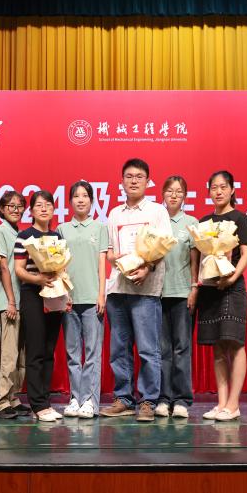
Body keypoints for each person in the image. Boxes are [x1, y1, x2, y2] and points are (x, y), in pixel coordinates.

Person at [100, 158, 170, 423]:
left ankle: (149, 400)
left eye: (139, 176)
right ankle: (123, 398)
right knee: (119, 348)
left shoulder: (157, 212)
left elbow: (164, 247)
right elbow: (109, 251)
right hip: (118, 288)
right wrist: (115, 258)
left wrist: (147, 267)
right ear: (121, 181)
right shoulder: (114, 214)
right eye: (128, 176)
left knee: (148, 349)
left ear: (148, 181)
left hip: (146, 290)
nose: (133, 181)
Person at [194, 171, 247, 422]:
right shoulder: (204, 221)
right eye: (214, 188)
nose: (218, 192)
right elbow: (198, 256)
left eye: (223, 187)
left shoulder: (241, 218)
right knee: (217, 347)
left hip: (232, 287)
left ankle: (234, 404)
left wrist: (232, 277)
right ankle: (221, 403)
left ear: (232, 190)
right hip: (209, 289)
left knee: (235, 343)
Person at [15, 190, 65, 423]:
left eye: (48, 205)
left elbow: (62, 268)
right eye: (39, 205)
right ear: (32, 211)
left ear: (53, 209)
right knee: (35, 350)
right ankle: (38, 404)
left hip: (54, 293)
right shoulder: (24, 236)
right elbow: (19, 270)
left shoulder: (57, 237)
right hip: (33, 295)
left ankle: (46, 401)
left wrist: (65, 294)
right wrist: (38, 279)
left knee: (48, 350)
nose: (44, 209)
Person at [59, 181, 108, 419]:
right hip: (69, 299)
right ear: (70, 201)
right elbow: (59, 263)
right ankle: (75, 398)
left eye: (85, 196)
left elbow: (102, 263)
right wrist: (63, 292)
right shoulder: (62, 229)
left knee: (92, 354)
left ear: (91, 200)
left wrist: (101, 294)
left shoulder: (99, 227)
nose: (80, 199)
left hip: (92, 298)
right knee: (72, 353)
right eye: (76, 196)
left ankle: (90, 401)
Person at [156, 176, 198, 419]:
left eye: (179, 191)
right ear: (163, 193)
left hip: (182, 293)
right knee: (162, 349)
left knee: (182, 348)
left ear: (184, 196)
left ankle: (182, 399)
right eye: (170, 191)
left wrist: (194, 288)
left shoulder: (190, 223)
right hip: (157, 293)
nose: (174, 195)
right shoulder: (155, 221)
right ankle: (163, 398)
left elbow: (195, 261)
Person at [0, 190, 27, 420]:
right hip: (6, 302)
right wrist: (11, 300)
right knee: (5, 354)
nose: (15, 209)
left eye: (19, 206)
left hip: (22, 302)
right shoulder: (0, 231)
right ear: (2, 209)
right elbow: (3, 267)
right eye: (10, 206)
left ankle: (12, 397)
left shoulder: (19, 233)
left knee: (19, 357)